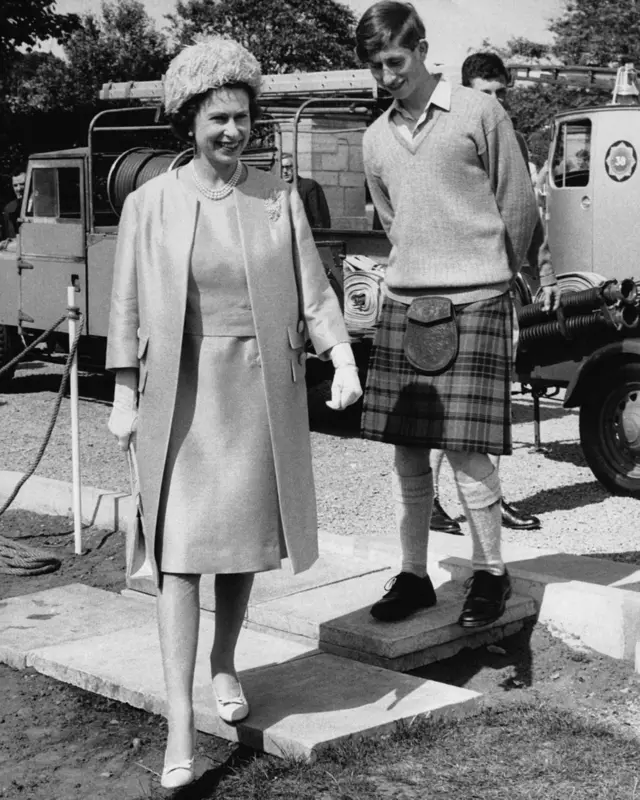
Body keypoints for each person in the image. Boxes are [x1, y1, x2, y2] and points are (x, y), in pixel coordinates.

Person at [106, 35, 362, 791]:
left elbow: (313, 289)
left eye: (243, 117)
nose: (232, 131)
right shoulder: (150, 203)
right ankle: (181, 725)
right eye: (218, 117)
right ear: (188, 120)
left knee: (243, 548)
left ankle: (224, 660)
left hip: (255, 391)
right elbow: (125, 304)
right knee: (179, 556)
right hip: (181, 399)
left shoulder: (276, 195)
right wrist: (124, 393)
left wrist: (342, 357)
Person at [356, 2, 539, 627]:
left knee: (467, 452)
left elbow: (518, 205)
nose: (388, 76)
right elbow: (393, 222)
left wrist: (498, 283)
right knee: (409, 453)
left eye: (395, 61)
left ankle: (491, 574)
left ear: (422, 49)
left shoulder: (479, 111)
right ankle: (413, 577)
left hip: (479, 299)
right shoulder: (374, 138)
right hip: (406, 306)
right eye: (376, 67)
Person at [429, 51, 561, 535]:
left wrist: (545, 275)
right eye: (487, 93)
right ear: (466, 91)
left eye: (502, 93)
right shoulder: (439, 137)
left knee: (493, 398)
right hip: (446, 289)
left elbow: (528, 215)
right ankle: (429, 501)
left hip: (496, 290)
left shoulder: (514, 141)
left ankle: (491, 500)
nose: (496, 102)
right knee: (442, 398)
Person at [281, 153, 332, 228]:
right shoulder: (276, 190)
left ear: (295, 167)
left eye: (288, 167)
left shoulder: (309, 186)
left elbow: (320, 220)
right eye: (282, 167)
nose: (285, 171)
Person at [2, 166, 26, 241]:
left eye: (22, 184)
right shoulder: (9, 208)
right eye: (15, 185)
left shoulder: (41, 206)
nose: (18, 189)